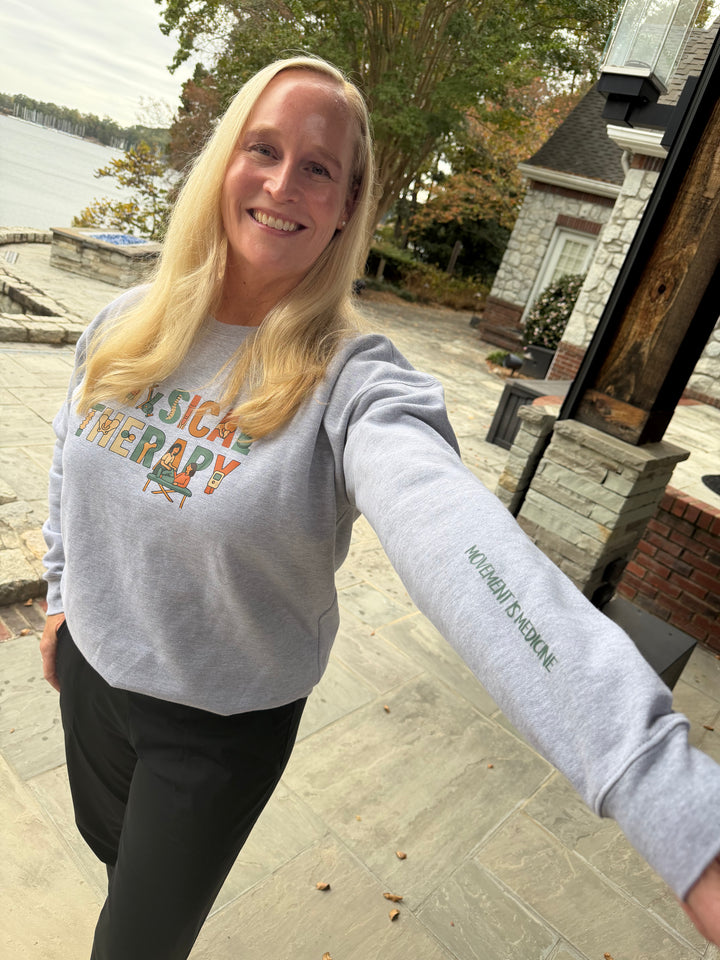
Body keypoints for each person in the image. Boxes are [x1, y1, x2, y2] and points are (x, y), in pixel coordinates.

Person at [40, 55, 720, 959]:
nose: (285, 183)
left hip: (215, 728)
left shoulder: (355, 383)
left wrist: (665, 793)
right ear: (224, 161)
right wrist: (57, 597)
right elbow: (65, 457)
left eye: (318, 168)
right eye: (265, 149)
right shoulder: (123, 321)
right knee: (114, 857)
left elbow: (460, 541)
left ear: (348, 204)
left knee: (134, 942)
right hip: (89, 674)